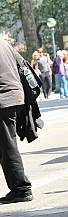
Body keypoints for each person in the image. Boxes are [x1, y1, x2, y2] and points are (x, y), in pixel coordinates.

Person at [0, 38, 33, 204]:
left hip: (4, 98)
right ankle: (19, 188)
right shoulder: (4, 42)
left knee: (7, 145)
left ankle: (21, 188)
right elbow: (22, 64)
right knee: (6, 145)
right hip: (13, 95)